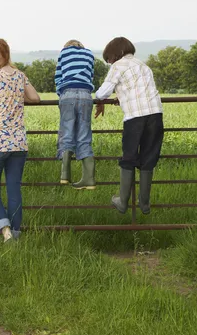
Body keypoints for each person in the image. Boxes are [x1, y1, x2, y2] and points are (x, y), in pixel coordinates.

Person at [0, 39, 41, 242]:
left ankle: (5, 231)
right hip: (18, 143)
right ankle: (16, 234)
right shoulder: (20, 76)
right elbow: (35, 98)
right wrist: (16, 97)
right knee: (14, 189)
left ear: (4, 54)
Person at [95, 37, 164, 214]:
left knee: (129, 157)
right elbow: (138, 89)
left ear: (115, 54)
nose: (109, 63)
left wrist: (99, 98)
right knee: (149, 157)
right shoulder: (144, 66)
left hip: (135, 117)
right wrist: (122, 95)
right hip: (155, 114)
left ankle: (123, 201)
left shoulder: (119, 66)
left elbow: (103, 91)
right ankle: (145, 203)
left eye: (109, 59)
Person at [54, 39, 96, 189]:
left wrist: (62, 93)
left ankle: (65, 175)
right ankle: (89, 179)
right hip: (86, 95)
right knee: (84, 134)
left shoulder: (64, 52)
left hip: (68, 93)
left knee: (67, 130)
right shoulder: (89, 54)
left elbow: (58, 76)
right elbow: (91, 76)